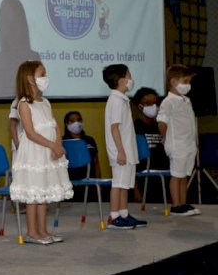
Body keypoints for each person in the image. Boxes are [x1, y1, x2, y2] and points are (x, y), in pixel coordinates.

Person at [10, 61, 72, 244]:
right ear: (30, 78)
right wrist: (52, 146)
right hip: (35, 153)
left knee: (43, 192)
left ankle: (43, 230)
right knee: (34, 193)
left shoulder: (45, 102)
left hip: (48, 152)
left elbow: (55, 126)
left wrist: (58, 144)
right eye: (42, 74)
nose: (45, 78)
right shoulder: (23, 104)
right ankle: (32, 232)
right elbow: (30, 132)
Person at [102, 64, 146, 229]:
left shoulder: (122, 99)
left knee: (125, 184)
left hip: (127, 150)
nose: (131, 79)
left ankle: (124, 214)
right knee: (118, 184)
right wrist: (120, 151)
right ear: (121, 80)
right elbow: (114, 128)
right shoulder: (116, 101)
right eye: (129, 75)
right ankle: (114, 217)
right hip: (121, 152)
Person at [158, 64, 200, 216]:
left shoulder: (186, 100)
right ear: (174, 81)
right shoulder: (168, 102)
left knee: (184, 175)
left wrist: (194, 143)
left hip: (188, 144)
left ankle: (183, 203)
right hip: (177, 144)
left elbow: (190, 124)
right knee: (177, 175)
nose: (188, 85)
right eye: (186, 81)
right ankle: (176, 205)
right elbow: (162, 122)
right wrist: (165, 138)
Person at [0, 0, 41, 98]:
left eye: (12, 21)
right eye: (4, 20)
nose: (9, 28)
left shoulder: (34, 59)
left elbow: (38, 92)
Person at [132, 87, 169, 202]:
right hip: (143, 179)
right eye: (148, 103)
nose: (152, 106)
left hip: (164, 178)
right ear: (139, 106)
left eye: (155, 103)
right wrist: (136, 190)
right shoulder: (134, 127)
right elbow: (131, 161)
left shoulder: (162, 126)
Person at [62, 111, 101, 202]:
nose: (76, 123)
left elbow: (96, 162)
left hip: (89, 181)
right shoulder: (62, 141)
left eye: (79, 120)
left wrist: (98, 181)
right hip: (70, 182)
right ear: (66, 124)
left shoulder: (90, 140)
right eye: (72, 121)